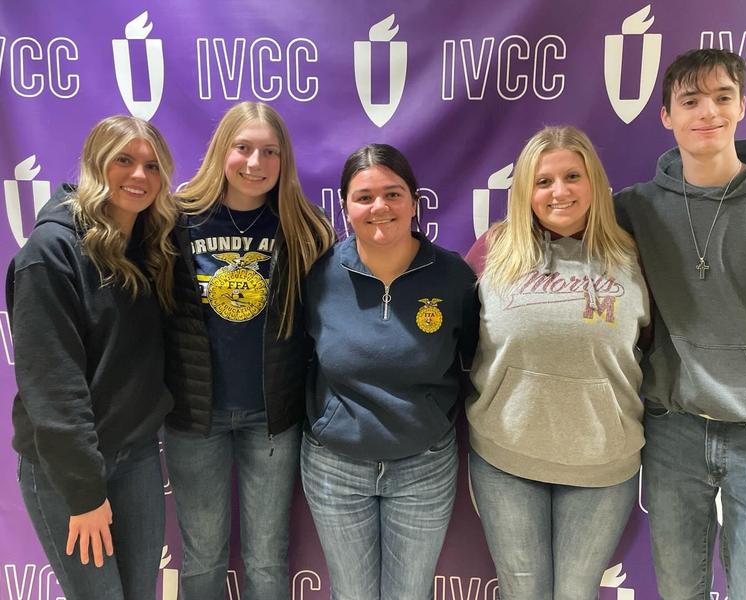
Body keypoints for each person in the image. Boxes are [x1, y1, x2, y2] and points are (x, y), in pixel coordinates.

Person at [615, 48, 746, 599]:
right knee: (677, 588)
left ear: (743, 105)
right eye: (690, 101)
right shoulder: (634, 209)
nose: (708, 112)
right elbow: (553, 241)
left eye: (722, 98)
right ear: (666, 116)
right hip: (674, 428)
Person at [465, 126, 650, 600]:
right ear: (525, 190)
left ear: (594, 183)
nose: (559, 191)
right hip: (507, 458)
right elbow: (455, 342)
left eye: (572, 176)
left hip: (603, 464)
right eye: (543, 181)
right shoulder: (494, 250)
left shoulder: (632, 256)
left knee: (575, 594)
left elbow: (654, 348)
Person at [162, 101, 333, 600]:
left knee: (265, 554)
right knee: (204, 554)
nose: (255, 163)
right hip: (195, 416)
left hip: (271, 417)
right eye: (244, 148)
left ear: (285, 161)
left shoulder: (303, 227)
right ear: (222, 150)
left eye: (269, 151)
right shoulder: (176, 220)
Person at [8, 115, 177, 599]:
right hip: (68, 468)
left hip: (137, 456)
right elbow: (53, 386)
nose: (139, 175)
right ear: (93, 164)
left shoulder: (152, 246)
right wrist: (85, 494)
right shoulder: (51, 252)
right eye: (123, 160)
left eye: (152, 165)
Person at [301, 143, 479, 600]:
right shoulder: (318, 275)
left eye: (393, 194)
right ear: (344, 207)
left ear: (415, 203)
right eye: (364, 197)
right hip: (335, 466)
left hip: (423, 466)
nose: (379, 207)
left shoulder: (452, 277)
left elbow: (472, 357)